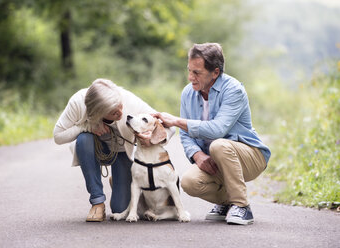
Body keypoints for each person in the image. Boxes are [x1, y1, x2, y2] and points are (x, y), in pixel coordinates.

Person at [154, 43, 271, 225]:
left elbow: (218, 130)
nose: (190, 77)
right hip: (215, 159)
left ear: (215, 72)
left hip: (251, 157)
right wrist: (198, 155)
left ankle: (242, 206)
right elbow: (185, 135)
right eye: (190, 70)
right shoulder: (188, 93)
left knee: (219, 144)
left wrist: (176, 121)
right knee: (189, 182)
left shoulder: (234, 90)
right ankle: (226, 203)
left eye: (197, 72)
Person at [54, 78, 175, 222]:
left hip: (123, 152)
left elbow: (169, 127)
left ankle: (118, 179)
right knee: (83, 139)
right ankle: (97, 202)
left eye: (120, 106)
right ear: (98, 113)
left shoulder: (129, 100)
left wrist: (152, 138)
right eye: (114, 112)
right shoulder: (78, 102)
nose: (120, 113)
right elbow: (58, 136)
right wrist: (87, 127)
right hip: (95, 148)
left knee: (119, 208)